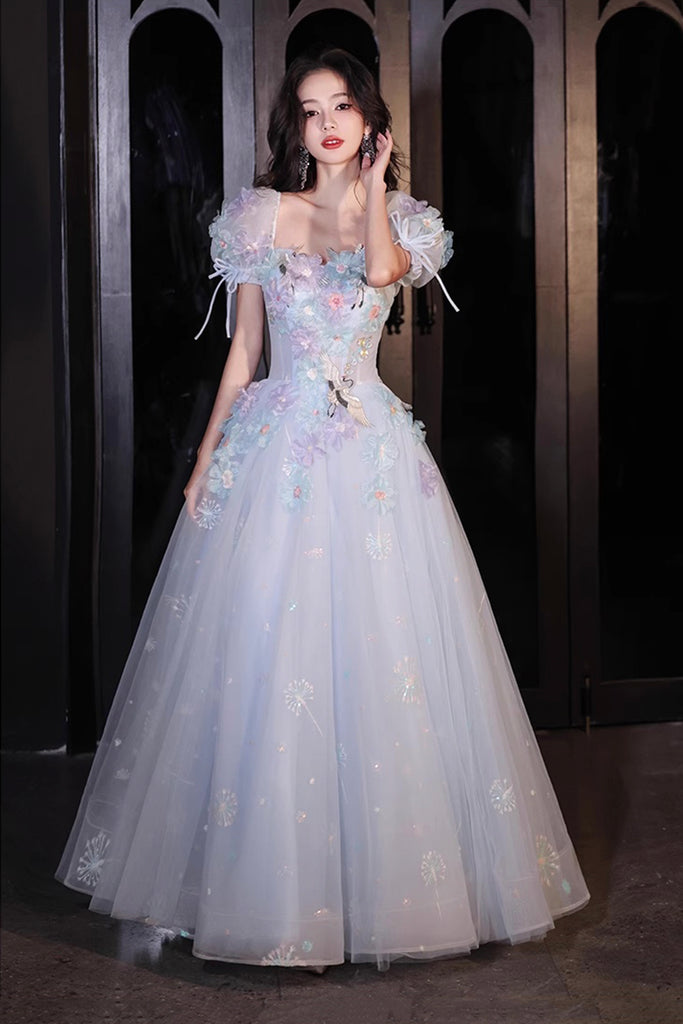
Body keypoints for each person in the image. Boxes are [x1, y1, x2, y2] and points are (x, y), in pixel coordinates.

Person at [56, 48, 589, 972]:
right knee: (269, 658)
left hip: (372, 454)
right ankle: (264, 892)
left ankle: (381, 893)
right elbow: (244, 353)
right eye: (310, 110)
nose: (328, 123)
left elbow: (381, 276)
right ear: (294, 128)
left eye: (342, 106)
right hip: (279, 450)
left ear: (370, 120)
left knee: (387, 659)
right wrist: (205, 460)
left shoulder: (406, 221)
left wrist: (374, 188)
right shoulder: (262, 215)